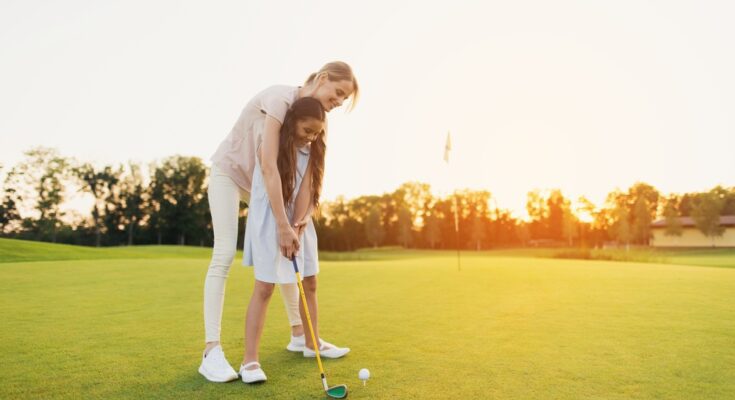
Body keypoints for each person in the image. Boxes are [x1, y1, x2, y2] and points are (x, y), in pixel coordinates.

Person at [199, 62, 359, 383]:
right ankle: (211, 351)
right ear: (322, 78)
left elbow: (310, 178)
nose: (339, 102)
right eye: (338, 92)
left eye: (344, 100)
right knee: (224, 253)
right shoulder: (278, 100)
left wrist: (297, 222)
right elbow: (270, 167)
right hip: (232, 175)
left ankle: (301, 335)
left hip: (264, 186)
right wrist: (283, 225)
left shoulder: (317, 120)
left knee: (288, 255)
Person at [239, 96, 347, 383]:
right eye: (307, 130)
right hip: (270, 216)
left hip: (296, 219)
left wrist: (298, 224)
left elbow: (306, 190)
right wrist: (283, 226)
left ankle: (311, 343)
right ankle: (250, 361)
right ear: (292, 123)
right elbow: (269, 176)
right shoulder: (273, 145)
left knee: (309, 281)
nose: (311, 137)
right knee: (265, 287)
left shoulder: (312, 150)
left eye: (316, 133)